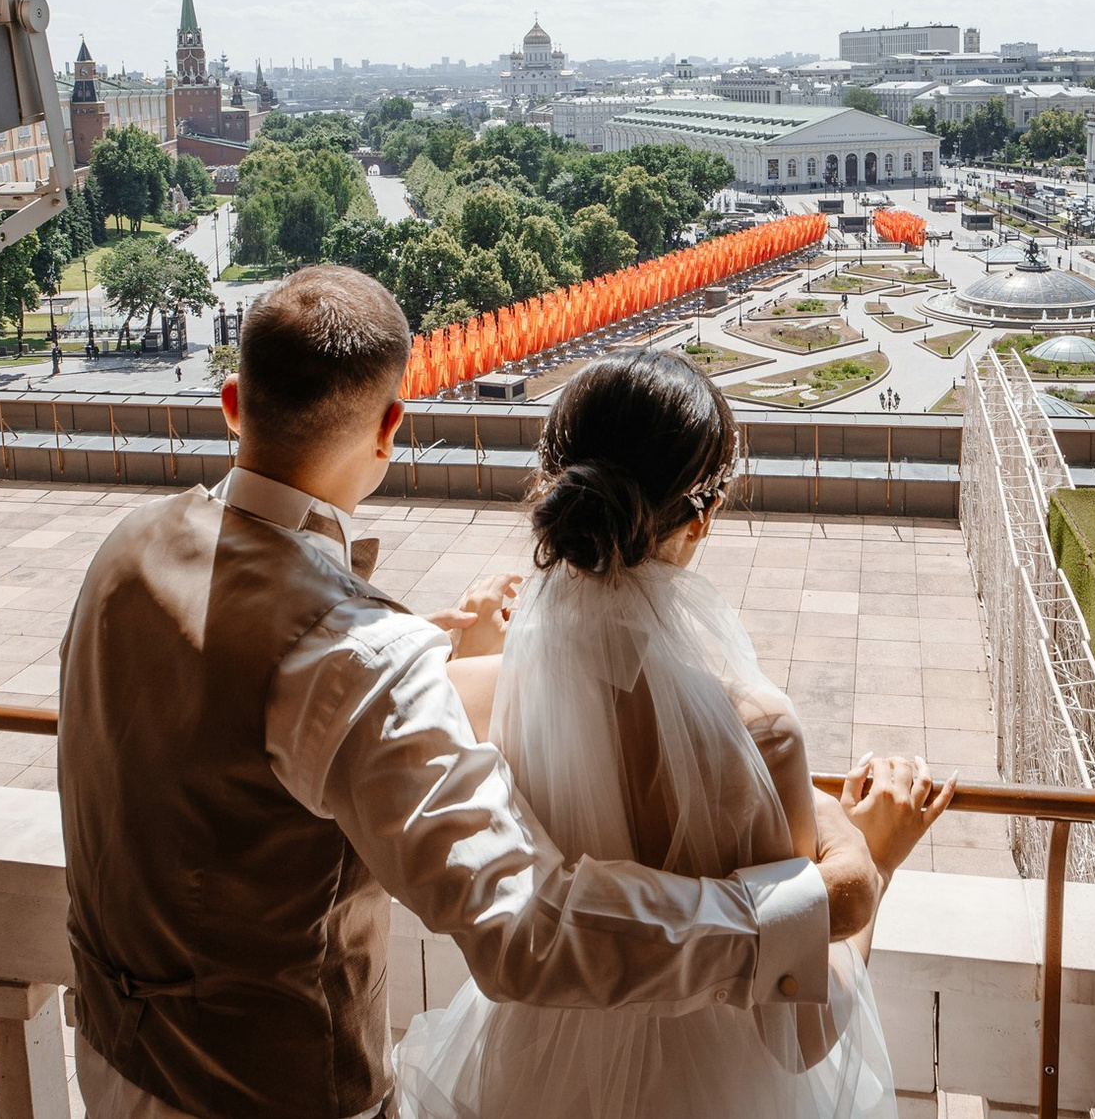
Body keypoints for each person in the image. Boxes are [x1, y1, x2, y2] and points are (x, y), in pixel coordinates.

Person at [59, 267, 934, 1119]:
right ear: (391, 423)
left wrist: (436, 640)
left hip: (108, 1053)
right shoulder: (356, 657)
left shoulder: (125, 546)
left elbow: (228, 707)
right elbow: (523, 931)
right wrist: (821, 900)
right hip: (268, 1090)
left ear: (232, 402)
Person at [400, 352, 951, 1119]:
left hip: (531, 1073)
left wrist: (480, 652)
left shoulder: (467, 695)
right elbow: (800, 1030)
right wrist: (875, 856)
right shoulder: (760, 734)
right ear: (701, 519)